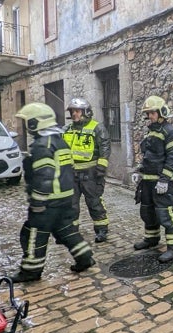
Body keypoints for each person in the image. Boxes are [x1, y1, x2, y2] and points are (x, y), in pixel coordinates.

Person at [9, 103, 95, 283]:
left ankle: (31, 271)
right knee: (66, 231)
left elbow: (45, 176)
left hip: (48, 202)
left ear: (35, 122)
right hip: (65, 198)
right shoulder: (60, 140)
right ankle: (85, 257)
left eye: (28, 121)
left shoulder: (42, 145)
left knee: (33, 234)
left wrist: (38, 202)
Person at [132, 95, 173, 263]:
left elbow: (172, 158)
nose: (150, 116)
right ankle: (151, 239)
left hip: (161, 182)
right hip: (147, 180)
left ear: (161, 112)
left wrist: (165, 180)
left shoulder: (170, 131)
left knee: (165, 213)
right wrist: (139, 170)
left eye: (152, 113)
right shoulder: (151, 131)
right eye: (148, 113)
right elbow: (147, 155)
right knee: (148, 211)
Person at [62, 97, 111, 243]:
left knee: (94, 203)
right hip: (71, 174)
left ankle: (101, 230)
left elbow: (105, 148)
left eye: (77, 111)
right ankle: (71, 231)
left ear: (86, 112)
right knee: (71, 205)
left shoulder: (97, 127)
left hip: (91, 174)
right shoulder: (66, 129)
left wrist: (101, 167)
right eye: (72, 111)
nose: (74, 114)